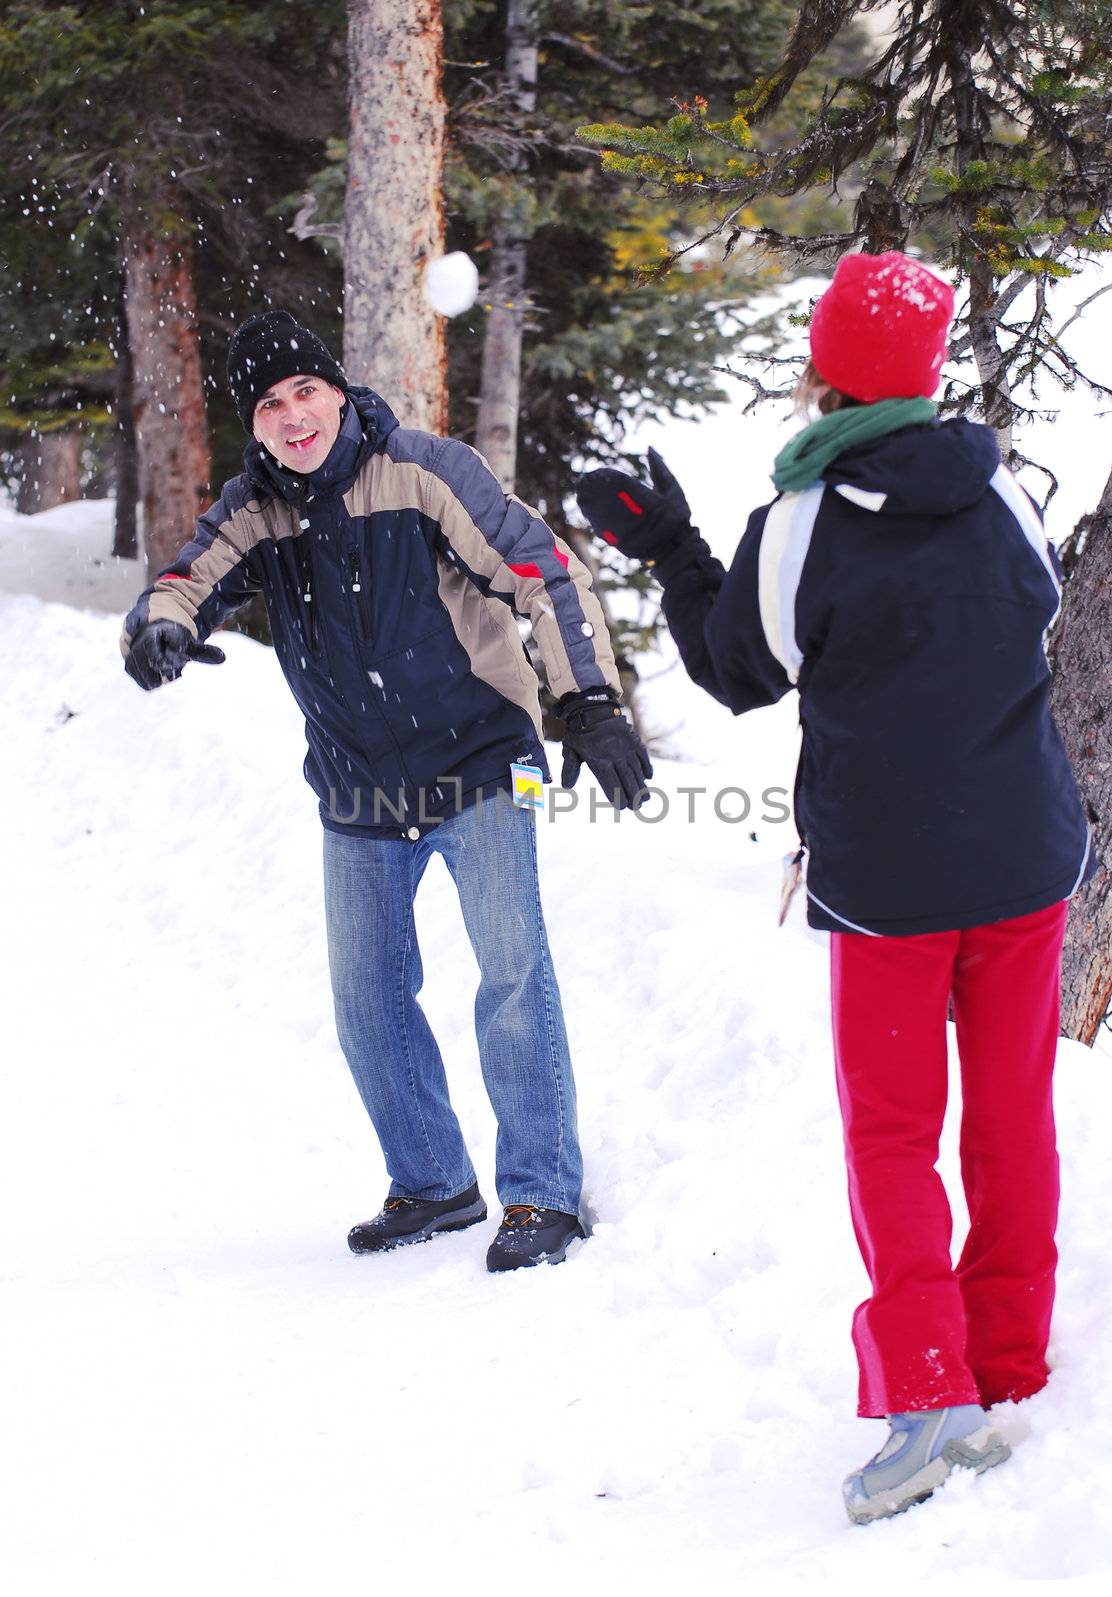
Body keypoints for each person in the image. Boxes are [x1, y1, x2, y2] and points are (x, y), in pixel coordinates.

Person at [575, 251, 1093, 1520]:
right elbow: (1022, 619)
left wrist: (672, 548)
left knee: (892, 1135)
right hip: (1024, 854)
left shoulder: (800, 521)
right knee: (1010, 1114)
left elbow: (735, 669)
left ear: (822, 370)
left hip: (893, 882)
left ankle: (930, 1398)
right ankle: (1005, 1361)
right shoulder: (1001, 489)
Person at [121, 309, 651, 1272]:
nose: (292, 418)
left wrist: (588, 702)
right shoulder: (255, 509)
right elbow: (182, 580)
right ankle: (435, 1181)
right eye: (270, 404)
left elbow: (540, 569)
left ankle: (542, 1193)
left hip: (479, 758)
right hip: (358, 787)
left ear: (336, 390)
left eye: (306, 392)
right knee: (366, 1000)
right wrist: (155, 628)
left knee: (513, 978)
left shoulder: (421, 470)